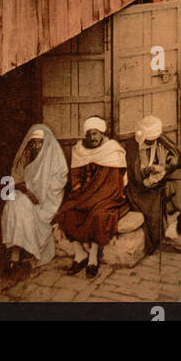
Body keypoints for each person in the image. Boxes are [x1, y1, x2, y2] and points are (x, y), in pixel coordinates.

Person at [55, 116, 129, 279]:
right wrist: (78, 190)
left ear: (102, 134)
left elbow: (116, 180)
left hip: (107, 195)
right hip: (84, 194)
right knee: (67, 211)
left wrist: (97, 197)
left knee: (99, 214)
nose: (92, 138)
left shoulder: (112, 149)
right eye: (89, 134)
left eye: (95, 134)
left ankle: (93, 258)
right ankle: (80, 254)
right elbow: (75, 174)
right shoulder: (80, 149)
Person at [1, 123, 68, 273]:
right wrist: (26, 191)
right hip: (26, 195)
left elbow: (57, 187)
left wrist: (38, 193)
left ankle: (17, 256)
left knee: (20, 206)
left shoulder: (55, 160)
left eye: (39, 143)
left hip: (45, 202)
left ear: (46, 144)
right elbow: (10, 184)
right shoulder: (24, 157)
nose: (36, 146)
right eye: (33, 143)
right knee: (14, 203)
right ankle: (16, 255)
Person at [122, 116, 181, 255]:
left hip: (160, 179)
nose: (152, 142)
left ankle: (172, 226)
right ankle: (161, 235)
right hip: (141, 187)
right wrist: (146, 177)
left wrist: (163, 168)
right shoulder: (131, 147)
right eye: (149, 140)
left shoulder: (161, 141)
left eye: (153, 140)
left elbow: (176, 158)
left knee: (178, 184)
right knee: (153, 202)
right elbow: (131, 175)